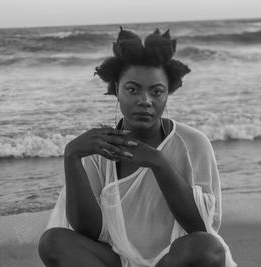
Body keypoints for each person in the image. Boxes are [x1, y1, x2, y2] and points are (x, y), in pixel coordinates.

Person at [38, 27, 237, 267]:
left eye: (156, 92)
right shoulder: (99, 147)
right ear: (116, 91)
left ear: (167, 95)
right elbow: (89, 232)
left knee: (208, 248)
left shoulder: (193, 143)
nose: (145, 100)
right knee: (53, 241)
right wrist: (71, 156)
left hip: (174, 261)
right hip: (117, 260)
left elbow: (203, 227)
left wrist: (157, 162)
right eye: (132, 90)